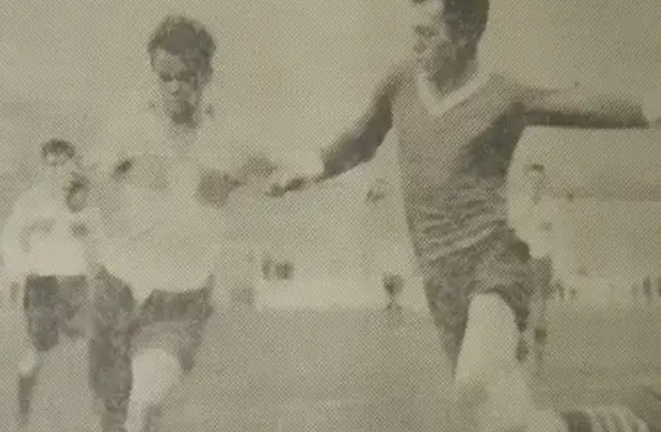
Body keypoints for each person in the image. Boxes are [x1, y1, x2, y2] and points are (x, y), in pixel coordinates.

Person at [265, 0, 661, 430]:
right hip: (441, 285)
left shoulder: (500, 98)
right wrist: (314, 165)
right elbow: (363, 139)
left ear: (466, 34)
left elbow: (571, 105)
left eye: (427, 33)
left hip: (492, 265)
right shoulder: (401, 82)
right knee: (501, 422)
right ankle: (631, 420)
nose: (415, 44)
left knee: (473, 387)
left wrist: (648, 107)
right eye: (413, 30)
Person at [83, 14, 299, 432]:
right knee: (112, 419)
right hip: (115, 292)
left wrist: (353, 184)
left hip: (179, 303)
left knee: (143, 404)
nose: (175, 88)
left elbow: (283, 172)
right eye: (164, 77)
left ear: (206, 75)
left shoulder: (229, 140)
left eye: (186, 77)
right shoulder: (129, 128)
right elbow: (87, 177)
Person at [1, 139, 100, 430]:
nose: (57, 170)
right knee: (38, 348)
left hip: (75, 282)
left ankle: (86, 413)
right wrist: (16, 275)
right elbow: (9, 240)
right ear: (43, 166)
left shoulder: (85, 204)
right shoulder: (30, 202)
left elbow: (100, 242)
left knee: (83, 345)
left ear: (73, 165)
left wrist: (89, 247)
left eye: (64, 164)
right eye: (51, 164)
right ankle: (23, 413)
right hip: (42, 284)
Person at [509, 163, 557, 376]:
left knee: (541, 311)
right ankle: (519, 349)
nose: (535, 184)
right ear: (526, 182)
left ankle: (539, 355)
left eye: (539, 180)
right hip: (524, 260)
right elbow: (514, 231)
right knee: (521, 308)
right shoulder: (519, 205)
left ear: (543, 182)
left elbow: (552, 233)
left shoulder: (550, 206)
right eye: (532, 180)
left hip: (543, 261)